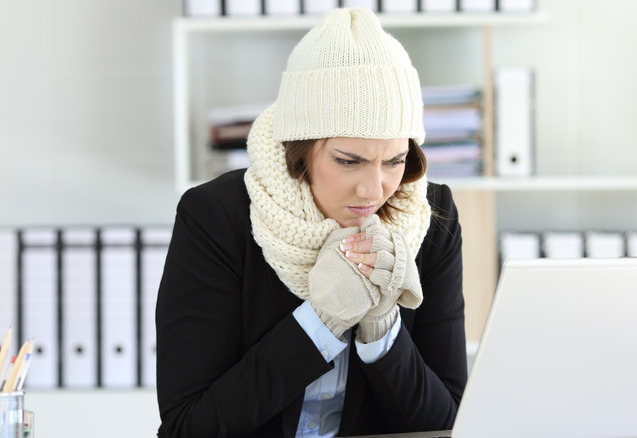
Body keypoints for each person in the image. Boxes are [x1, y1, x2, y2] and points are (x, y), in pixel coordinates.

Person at [156, 7, 467, 438]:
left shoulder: (430, 219)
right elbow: (189, 426)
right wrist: (323, 318)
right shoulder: (215, 217)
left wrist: (381, 328)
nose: (373, 190)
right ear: (298, 151)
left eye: (395, 161)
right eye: (348, 161)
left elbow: (448, 423)